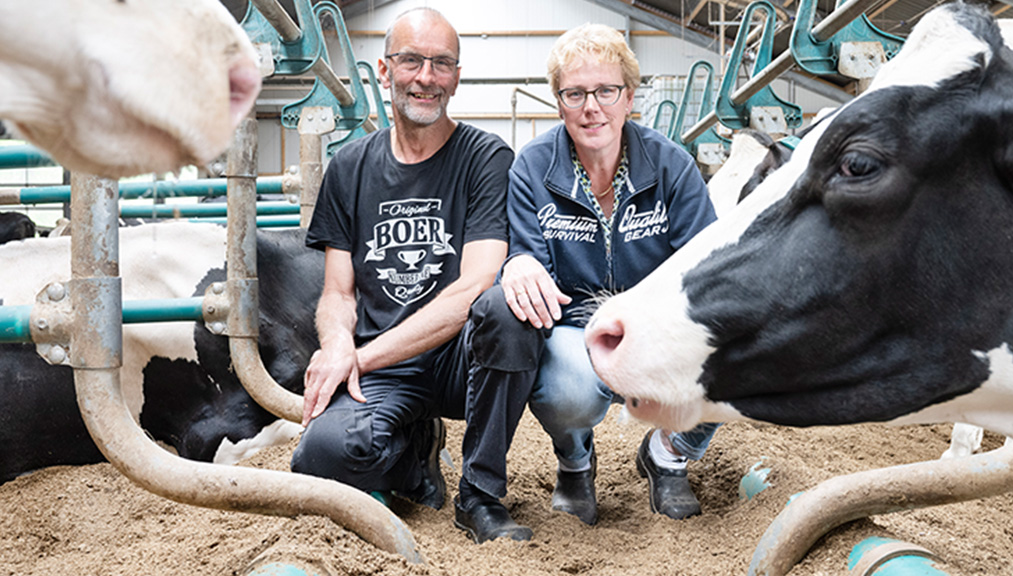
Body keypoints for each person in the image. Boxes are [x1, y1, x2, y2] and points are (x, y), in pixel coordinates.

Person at [290, 7, 535, 544]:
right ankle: (415, 450)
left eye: (442, 63)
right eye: (411, 61)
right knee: (319, 457)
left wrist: (359, 358)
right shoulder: (349, 167)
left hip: (461, 358)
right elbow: (337, 292)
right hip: (386, 368)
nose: (427, 77)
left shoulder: (485, 158)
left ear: (457, 77)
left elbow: (475, 286)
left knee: (506, 312)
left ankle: (480, 495)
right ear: (384, 70)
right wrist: (337, 346)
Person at [499, 23, 721, 525]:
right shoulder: (532, 168)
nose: (591, 107)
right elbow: (528, 267)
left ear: (629, 98)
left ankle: (668, 454)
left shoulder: (671, 166)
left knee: (738, 350)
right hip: (575, 328)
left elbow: (703, 265)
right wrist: (517, 261)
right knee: (566, 390)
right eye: (575, 93)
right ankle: (575, 463)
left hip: (658, 325)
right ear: (559, 102)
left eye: (606, 91)